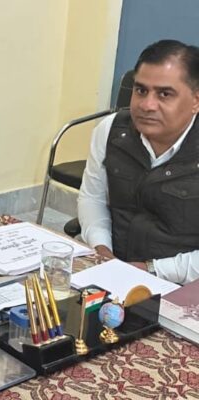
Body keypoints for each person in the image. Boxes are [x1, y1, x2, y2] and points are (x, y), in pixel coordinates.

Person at [79, 39, 199, 285]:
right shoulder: (111, 130)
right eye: (141, 90)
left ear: (196, 100)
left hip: (182, 285)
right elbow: (92, 198)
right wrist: (102, 250)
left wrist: (151, 269)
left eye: (164, 94)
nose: (147, 105)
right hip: (112, 269)